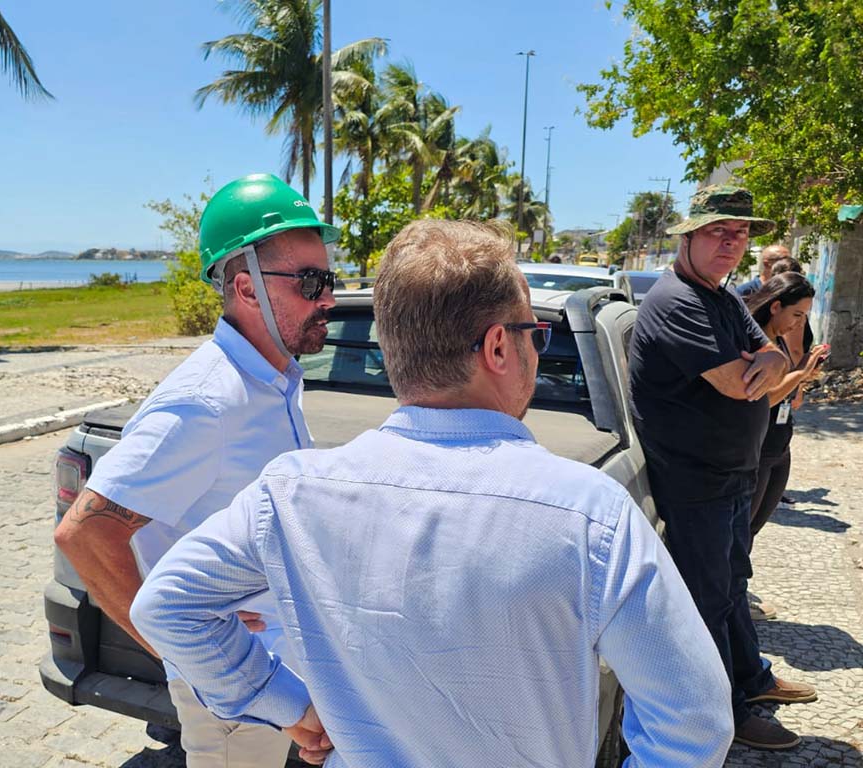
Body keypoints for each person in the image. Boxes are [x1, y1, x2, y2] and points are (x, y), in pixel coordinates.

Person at [132, 219, 736, 768]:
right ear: (499, 346)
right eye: (535, 335)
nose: (536, 350)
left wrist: (285, 703)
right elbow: (693, 722)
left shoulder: (289, 494)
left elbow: (167, 605)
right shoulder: (588, 513)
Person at [53, 173, 340, 768]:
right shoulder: (206, 400)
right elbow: (85, 534)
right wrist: (187, 654)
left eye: (329, 280)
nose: (329, 299)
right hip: (237, 701)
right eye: (311, 282)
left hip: (275, 667)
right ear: (246, 287)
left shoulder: (273, 381)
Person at [629, 185, 817, 751]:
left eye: (739, 233)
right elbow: (739, 385)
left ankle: (751, 681)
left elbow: (774, 351)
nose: (731, 242)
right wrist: (759, 360)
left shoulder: (724, 296)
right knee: (707, 603)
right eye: (717, 231)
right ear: (687, 236)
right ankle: (725, 717)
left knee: (733, 586)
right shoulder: (678, 301)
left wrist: (769, 355)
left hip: (731, 475)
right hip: (696, 482)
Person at [744, 275, 828, 611]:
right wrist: (801, 374)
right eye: (797, 315)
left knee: (753, 527)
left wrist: (801, 378)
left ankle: (738, 593)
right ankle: (733, 602)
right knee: (742, 531)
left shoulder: (774, 338)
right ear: (775, 305)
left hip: (779, 443)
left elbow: (785, 399)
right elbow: (762, 399)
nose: (800, 323)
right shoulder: (757, 340)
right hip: (759, 446)